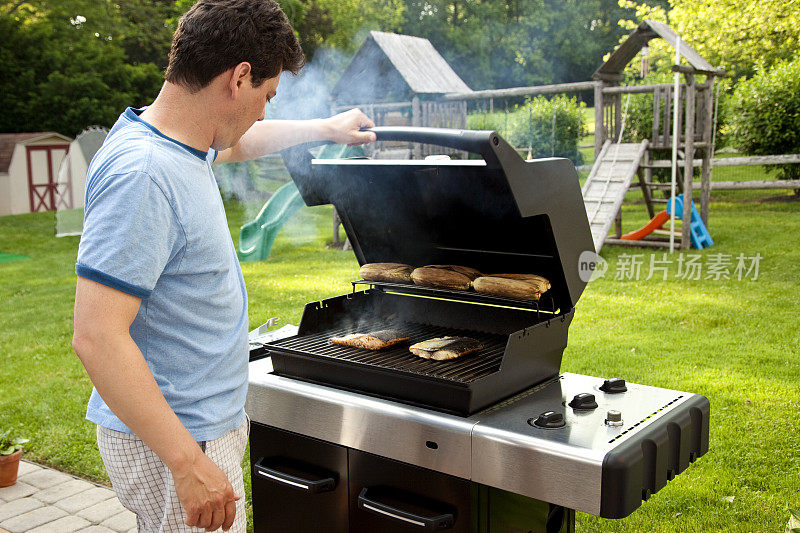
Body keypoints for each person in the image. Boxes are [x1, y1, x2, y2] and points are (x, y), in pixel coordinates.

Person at [71, 1, 376, 531]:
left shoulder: (178, 142)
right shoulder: (145, 175)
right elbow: (96, 335)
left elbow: (240, 142)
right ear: (239, 78)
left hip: (191, 425)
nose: (263, 111)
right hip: (180, 435)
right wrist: (189, 464)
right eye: (266, 95)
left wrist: (326, 128)